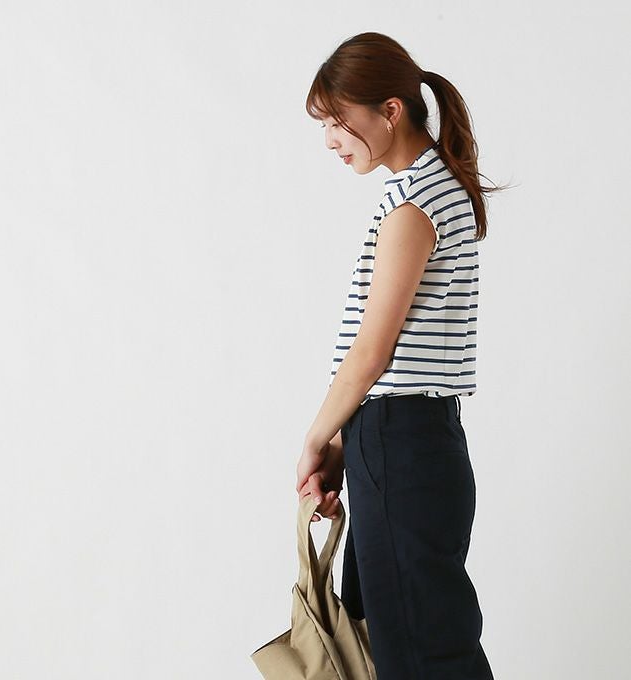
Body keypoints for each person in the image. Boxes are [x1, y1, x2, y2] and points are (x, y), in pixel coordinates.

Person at [294, 32, 508, 679]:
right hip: (407, 441)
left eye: (337, 121)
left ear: (390, 111)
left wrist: (317, 437)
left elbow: (373, 352)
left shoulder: (414, 203)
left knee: (421, 656)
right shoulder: (436, 189)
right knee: (401, 647)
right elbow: (399, 351)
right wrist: (344, 445)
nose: (330, 139)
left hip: (401, 443)